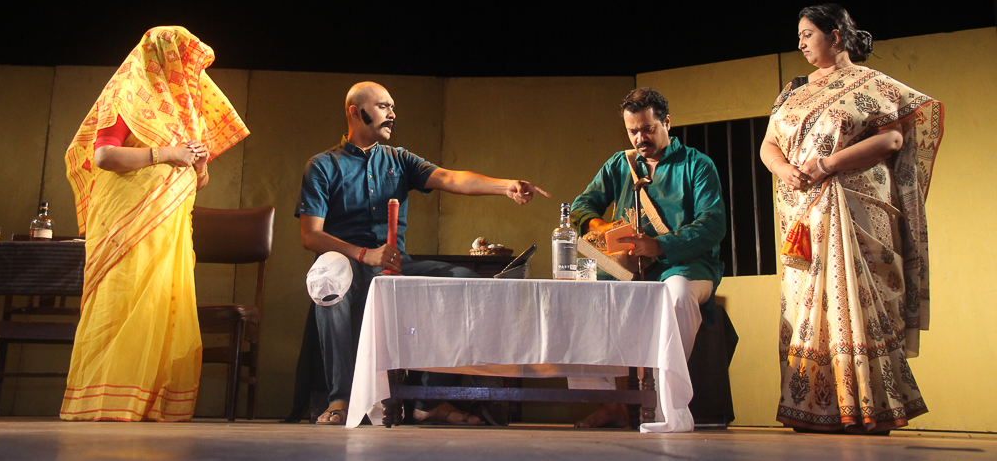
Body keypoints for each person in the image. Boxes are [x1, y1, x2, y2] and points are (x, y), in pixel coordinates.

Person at [296, 81, 549, 425]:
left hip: (393, 265)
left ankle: (427, 401)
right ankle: (339, 398)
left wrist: (505, 186)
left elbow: (451, 178)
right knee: (328, 276)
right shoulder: (323, 165)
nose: (392, 114)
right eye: (383, 106)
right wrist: (364, 254)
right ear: (356, 112)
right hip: (347, 265)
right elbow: (311, 236)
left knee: (463, 280)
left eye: (392, 107)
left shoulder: (398, 159)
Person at [759, 4, 943, 434]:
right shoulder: (792, 91)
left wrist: (827, 164)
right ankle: (812, 407)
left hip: (854, 209)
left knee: (856, 302)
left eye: (807, 34)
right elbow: (769, 144)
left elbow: (892, 138)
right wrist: (784, 169)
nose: (800, 43)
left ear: (836, 35)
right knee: (806, 307)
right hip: (802, 218)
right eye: (799, 36)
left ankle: (868, 408)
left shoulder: (872, 84)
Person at [60, 26, 250, 421]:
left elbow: (196, 178)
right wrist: (166, 153)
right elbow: (104, 156)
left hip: (169, 222)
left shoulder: (185, 110)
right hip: (125, 220)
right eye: (182, 59)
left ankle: (150, 402)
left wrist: (198, 163)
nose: (187, 70)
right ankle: (108, 402)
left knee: (162, 301)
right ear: (160, 57)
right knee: (123, 301)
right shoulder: (127, 95)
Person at [570, 87, 726, 429]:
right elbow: (582, 206)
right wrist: (604, 227)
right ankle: (609, 403)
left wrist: (659, 246)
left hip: (685, 264)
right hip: (629, 266)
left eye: (648, 129)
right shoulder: (620, 164)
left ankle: (671, 410)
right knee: (578, 289)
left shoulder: (697, 165)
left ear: (666, 123)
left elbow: (713, 224)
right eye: (633, 131)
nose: (640, 138)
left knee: (677, 295)